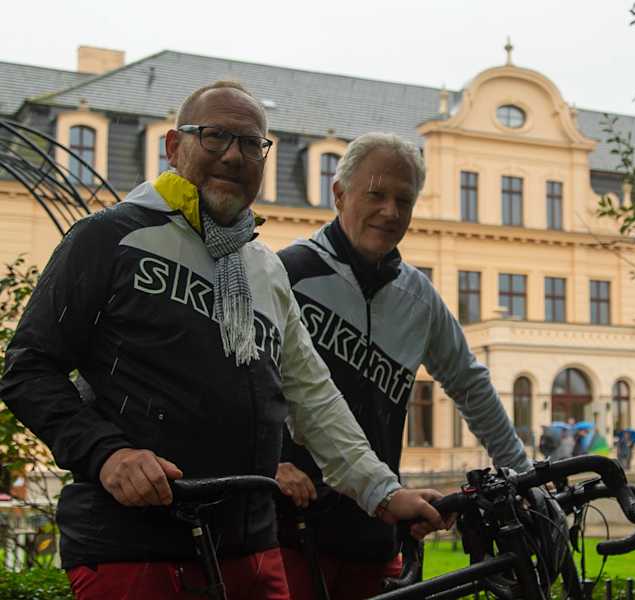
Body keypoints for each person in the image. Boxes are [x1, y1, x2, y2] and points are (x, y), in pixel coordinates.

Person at [0, 82, 446, 600]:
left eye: (251, 144)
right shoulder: (108, 236)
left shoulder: (263, 269)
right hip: (134, 549)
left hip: (250, 550)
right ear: (173, 146)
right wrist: (108, 455)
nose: (233, 156)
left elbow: (314, 399)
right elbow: (29, 367)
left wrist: (384, 493)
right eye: (214, 137)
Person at [275, 132, 532, 600]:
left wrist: (523, 475)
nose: (390, 211)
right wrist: (269, 460)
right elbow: (239, 383)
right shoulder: (287, 273)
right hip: (290, 529)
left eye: (404, 200)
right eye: (375, 194)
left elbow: (470, 384)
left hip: (378, 531)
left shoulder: (419, 298)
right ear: (339, 193)